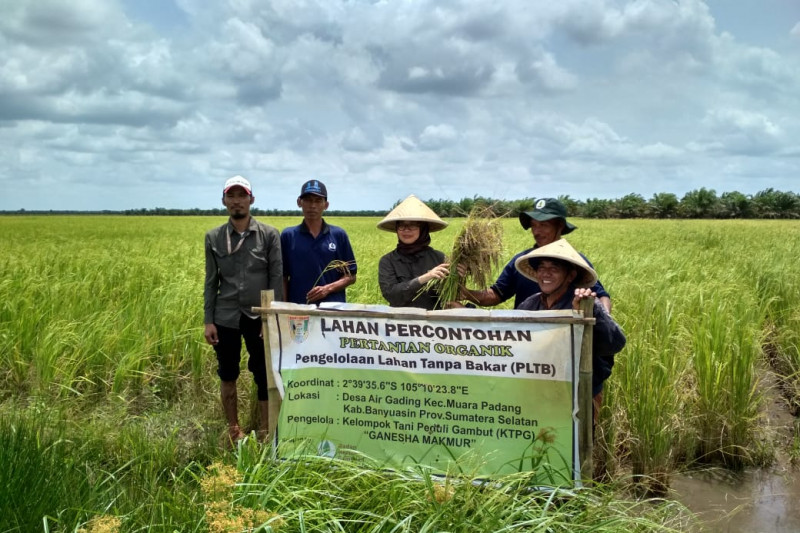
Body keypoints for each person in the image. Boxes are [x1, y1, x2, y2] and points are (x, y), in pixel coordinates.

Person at [204, 175, 283, 443]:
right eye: (231, 196)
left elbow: (275, 277)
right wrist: (208, 320)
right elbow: (211, 281)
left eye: (242, 195)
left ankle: (264, 430)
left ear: (251, 199)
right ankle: (233, 429)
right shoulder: (214, 237)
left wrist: (270, 318)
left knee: (263, 373)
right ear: (224, 200)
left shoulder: (269, 235)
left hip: (258, 316)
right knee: (227, 373)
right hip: (225, 316)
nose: (237, 201)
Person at [514, 239, 625, 420]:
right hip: (542, 390)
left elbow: (615, 343)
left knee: (579, 444)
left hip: (581, 392)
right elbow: (513, 340)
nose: (546, 273)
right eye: (541, 267)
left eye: (554, 268)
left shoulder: (586, 303)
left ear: (570, 275)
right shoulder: (531, 303)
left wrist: (585, 313)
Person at [460, 198, 612, 312]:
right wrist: (466, 293)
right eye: (534, 225)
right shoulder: (522, 261)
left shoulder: (574, 262)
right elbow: (496, 294)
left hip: (563, 340)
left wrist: (604, 321)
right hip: (527, 337)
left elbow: (601, 296)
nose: (537, 232)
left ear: (559, 226)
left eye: (544, 225)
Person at [281, 180, 357, 305]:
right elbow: (283, 277)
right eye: (308, 200)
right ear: (299, 202)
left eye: (318, 201)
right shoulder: (288, 236)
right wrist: (284, 308)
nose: (312, 206)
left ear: (326, 205)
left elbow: (351, 276)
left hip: (332, 310)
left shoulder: (338, 235)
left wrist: (327, 289)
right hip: (298, 309)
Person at [377, 194, 450, 310]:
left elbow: (451, 295)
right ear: (396, 229)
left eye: (413, 225)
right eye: (401, 225)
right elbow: (391, 295)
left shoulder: (439, 258)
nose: (406, 230)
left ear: (423, 229)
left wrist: (458, 276)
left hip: (434, 323)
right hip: (400, 323)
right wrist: (425, 278)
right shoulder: (388, 261)